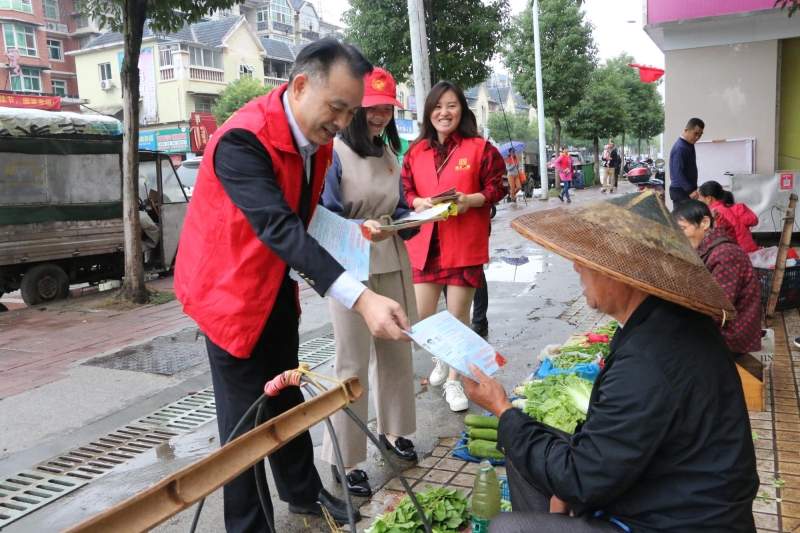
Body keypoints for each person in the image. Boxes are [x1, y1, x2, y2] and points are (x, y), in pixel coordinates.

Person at [174, 40, 413, 532]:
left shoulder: (316, 141)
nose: (343, 123)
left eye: (351, 112)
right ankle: (248, 525)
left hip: (273, 284)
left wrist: (356, 237)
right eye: (337, 108)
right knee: (245, 422)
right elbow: (280, 227)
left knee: (286, 393)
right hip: (227, 293)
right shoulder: (242, 140)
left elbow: (308, 218)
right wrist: (361, 297)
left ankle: (304, 494)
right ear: (300, 85)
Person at [463, 191, 758, 532]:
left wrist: (502, 408)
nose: (576, 266)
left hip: (680, 521)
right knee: (522, 446)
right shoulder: (661, 320)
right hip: (661, 485)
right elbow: (595, 457)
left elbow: (581, 478)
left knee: (506, 528)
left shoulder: (648, 361)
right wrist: (566, 483)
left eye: (587, 260)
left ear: (621, 273)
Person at [319, 67, 419, 498]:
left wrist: (416, 214)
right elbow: (324, 215)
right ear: (357, 109)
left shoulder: (390, 152)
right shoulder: (334, 152)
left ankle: (395, 431)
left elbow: (398, 211)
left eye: (387, 109)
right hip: (349, 264)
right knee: (352, 362)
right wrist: (361, 229)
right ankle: (346, 456)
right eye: (373, 108)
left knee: (397, 349)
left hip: (391, 257)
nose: (380, 116)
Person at [402, 81, 507, 412]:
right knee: (422, 318)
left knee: (458, 316)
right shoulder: (415, 152)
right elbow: (405, 190)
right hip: (425, 244)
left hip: (464, 243)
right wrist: (417, 202)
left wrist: (470, 200)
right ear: (428, 112)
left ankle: (454, 380)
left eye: (451, 105)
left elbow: (498, 187)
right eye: (437, 106)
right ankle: (442, 357)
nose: (444, 113)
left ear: (462, 109)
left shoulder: (481, 148)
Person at [672, 200, 762, 356]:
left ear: (705, 223)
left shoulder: (725, 253)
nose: (679, 236)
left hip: (731, 335)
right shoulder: (708, 248)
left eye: (682, 229)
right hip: (717, 326)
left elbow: (718, 308)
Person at [698, 180, 760, 253]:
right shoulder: (735, 207)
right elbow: (753, 220)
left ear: (709, 198)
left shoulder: (713, 212)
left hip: (734, 252)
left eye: (701, 199)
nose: (701, 202)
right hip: (750, 249)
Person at [669, 117, 705, 205]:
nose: (697, 137)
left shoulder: (688, 144)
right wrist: (690, 190)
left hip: (686, 191)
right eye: (695, 133)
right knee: (682, 214)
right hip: (681, 192)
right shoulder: (680, 147)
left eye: (700, 134)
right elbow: (678, 172)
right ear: (686, 130)